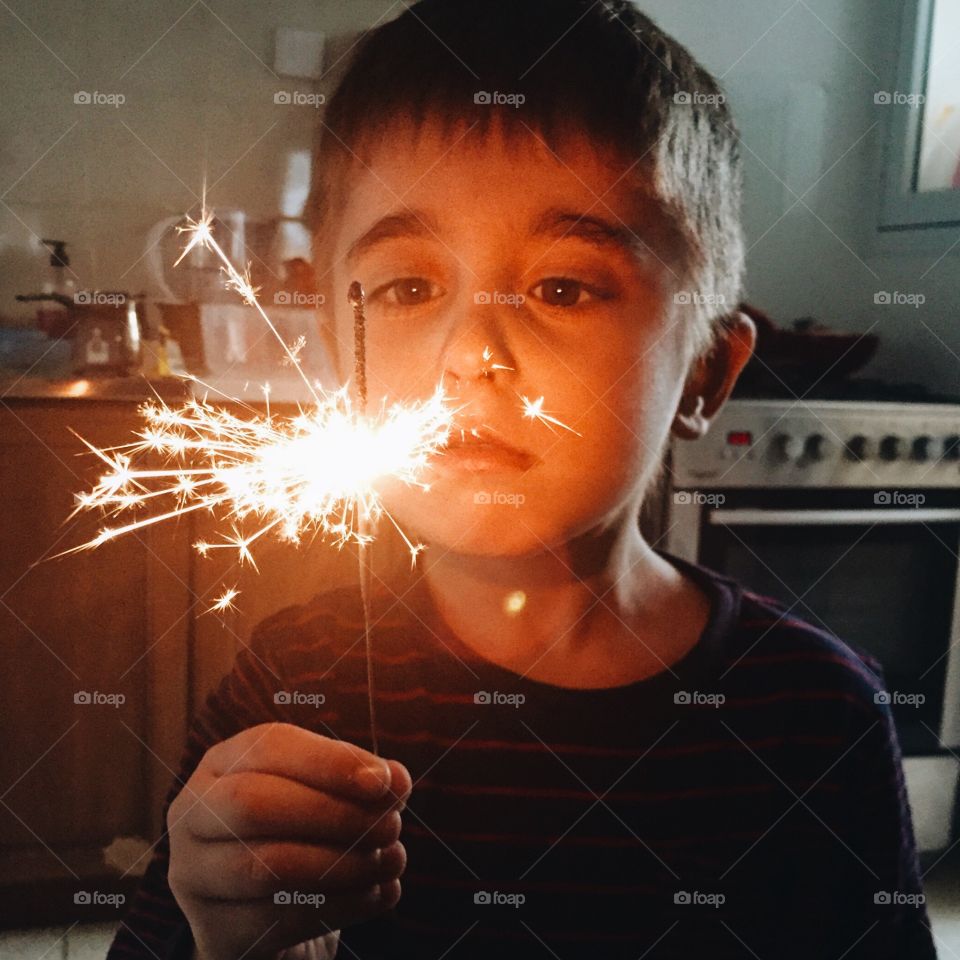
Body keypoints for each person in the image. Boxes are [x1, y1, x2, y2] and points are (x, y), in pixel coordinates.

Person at [107, 1, 938, 957]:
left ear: (706, 371)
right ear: (340, 355)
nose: (472, 352)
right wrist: (237, 945)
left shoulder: (817, 716)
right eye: (409, 289)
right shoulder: (294, 680)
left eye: (563, 288)